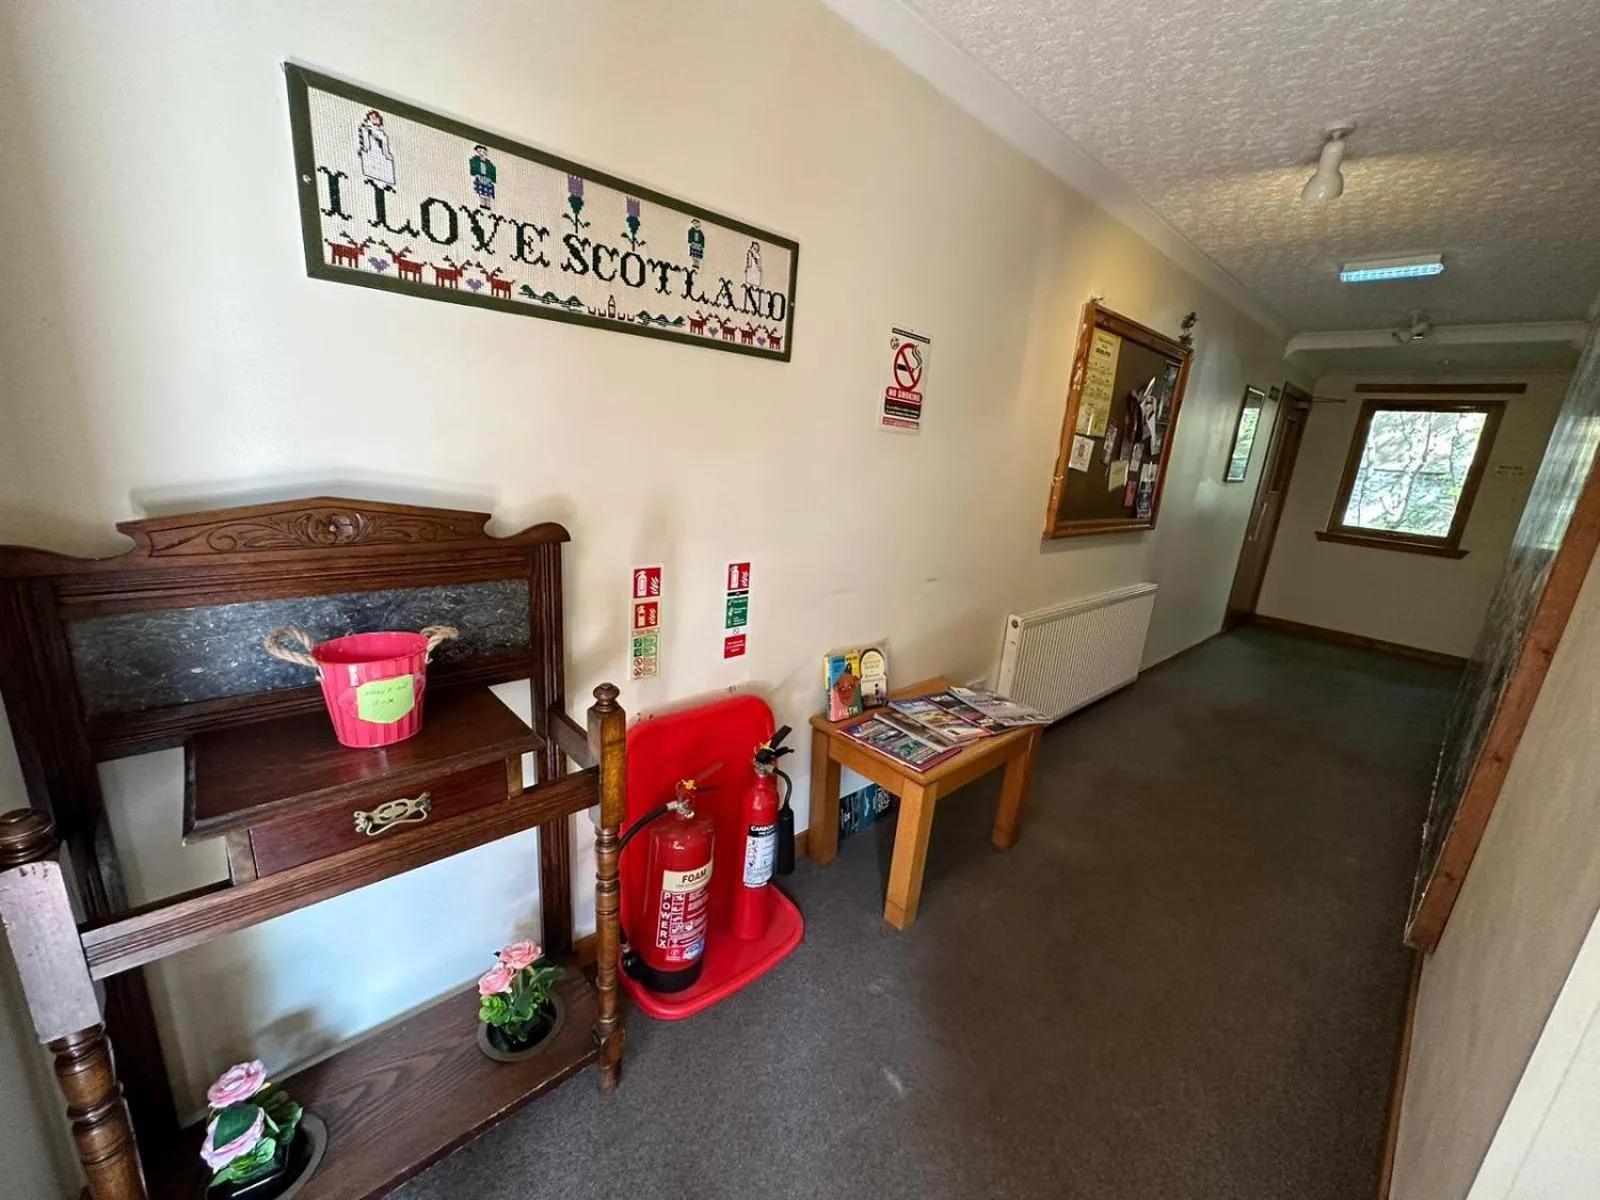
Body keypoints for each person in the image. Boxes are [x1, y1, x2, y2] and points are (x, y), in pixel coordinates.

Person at [357, 109, 396, 189]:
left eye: (376, 117)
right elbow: (365, 143)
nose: (374, 119)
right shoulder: (366, 128)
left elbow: (384, 144)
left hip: (380, 156)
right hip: (371, 153)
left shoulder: (381, 134)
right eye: (372, 117)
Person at [469, 144, 497, 209]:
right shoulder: (476, 160)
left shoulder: (489, 164)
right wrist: (477, 174)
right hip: (480, 178)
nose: (482, 153)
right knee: (481, 191)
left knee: (488, 192)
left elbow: (492, 170)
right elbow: (473, 167)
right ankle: (482, 204)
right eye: (480, 151)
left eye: (484, 152)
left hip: (487, 179)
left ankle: (488, 205)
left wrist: (491, 178)